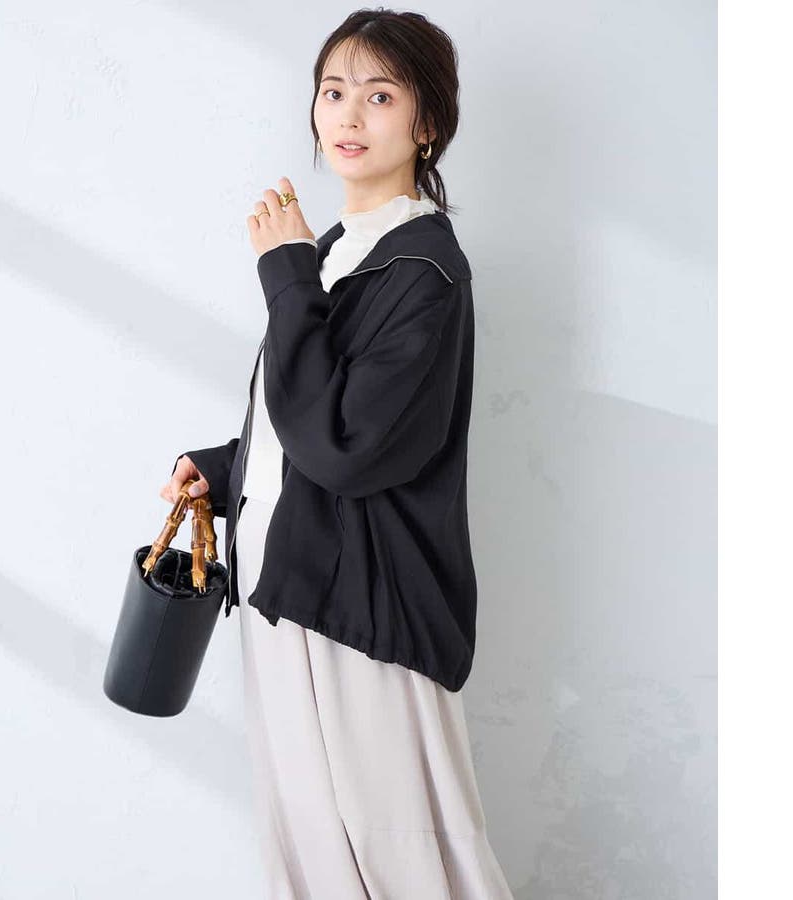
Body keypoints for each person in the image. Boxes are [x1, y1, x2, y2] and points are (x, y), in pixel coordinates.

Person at [161, 10, 515, 899]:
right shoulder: (337, 253)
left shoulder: (424, 271)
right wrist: (225, 469)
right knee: (311, 852)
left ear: (427, 124)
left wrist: (285, 277)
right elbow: (313, 414)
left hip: (361, 603)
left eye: (381, 95)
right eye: (333, 91)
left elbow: (349, 448)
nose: (348, 115)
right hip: (288, 584)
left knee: (402, 859)